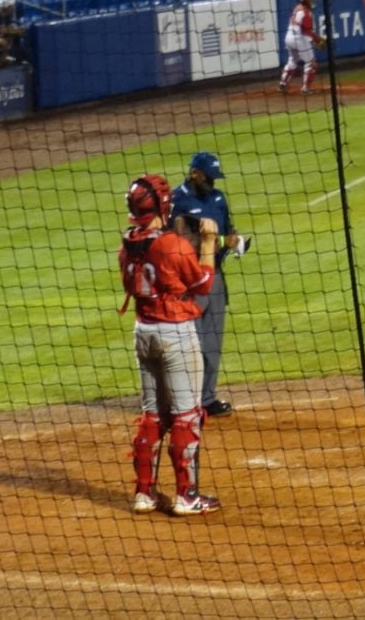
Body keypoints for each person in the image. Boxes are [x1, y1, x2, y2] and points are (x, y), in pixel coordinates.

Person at [119, 173, 222, 516]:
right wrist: (209, 241)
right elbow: (204, 283)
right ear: (163, 204)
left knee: (152, 415)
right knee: (186, 416)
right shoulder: (172, 244)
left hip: (143, 333)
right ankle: (186, 496)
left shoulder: (127, 244)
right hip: (175, 334)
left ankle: (144, 494)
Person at [170, 151, 250, 418]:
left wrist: (233, 242)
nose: (212, 183)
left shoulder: (218, 198)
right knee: (190, 341)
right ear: (195, 173)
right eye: (208, 177)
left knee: (212, 342)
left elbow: (228, 230)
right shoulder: (175, 200)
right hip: (186, 282)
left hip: (214, 276)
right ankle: (181, 400)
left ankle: (207, 398)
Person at [279, 0, 326, 95]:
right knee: (311, 63)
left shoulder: (297, 8)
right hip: (299, 38)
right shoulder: (306, 12)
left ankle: (283, 83)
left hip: (289, 38)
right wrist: (319, 40)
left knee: (293, 61)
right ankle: (305, 89)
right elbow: (307, 31)